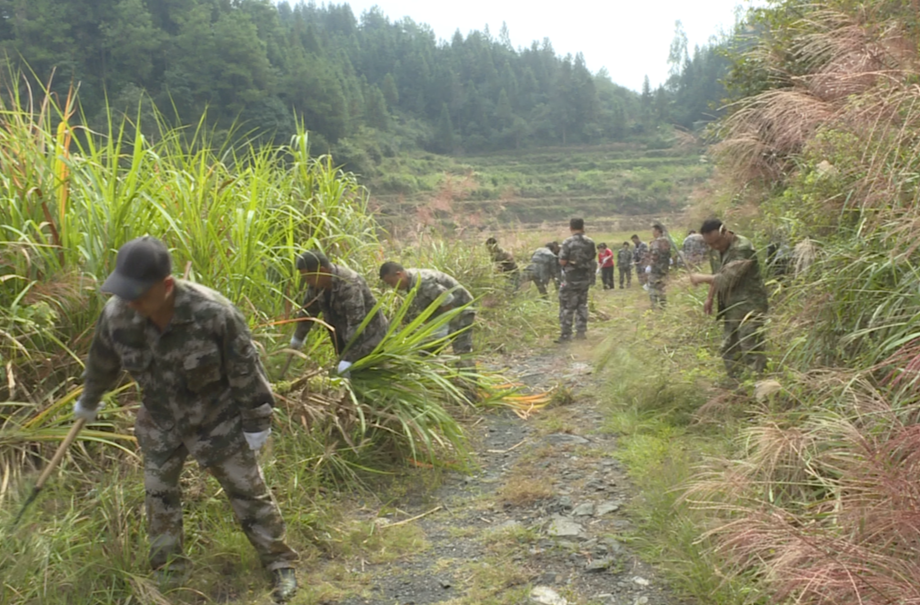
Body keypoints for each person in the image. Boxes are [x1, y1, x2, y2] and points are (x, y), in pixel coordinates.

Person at [73, 237, 298, 602]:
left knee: (247, 491)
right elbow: (102, 361)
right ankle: (169, 572)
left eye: (138, 294)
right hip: (160, 421)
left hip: (217, 419)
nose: (130, 301)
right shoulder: (117, 314)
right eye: (125, 292)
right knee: (158, 495)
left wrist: (256, 419)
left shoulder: (213, 313)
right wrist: (89, 399)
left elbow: (244, 368)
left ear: (166, 285)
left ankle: (279, 562)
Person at [690, 219, 769, 379]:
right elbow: (717, 275)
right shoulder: (716, 251)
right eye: (710, 244)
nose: (715, 246)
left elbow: (727, 278)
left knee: (751, 347)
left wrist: (701, 278)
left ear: (725, 231)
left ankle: (760, 384)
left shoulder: (742, 248)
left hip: (750, 306)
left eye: (717, 241)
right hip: (731, 307)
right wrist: (710, 298)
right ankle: (737, 383)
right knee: (729, 349)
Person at [288, 250, 388, 375]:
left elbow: (356, 325)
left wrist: (348, 358)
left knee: (373, 374)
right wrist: (298, 338)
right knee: (349, 376)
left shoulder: (349, 285)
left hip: (370, 337)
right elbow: (308, 312)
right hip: (345, 337)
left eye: (308, 278)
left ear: (322, 271)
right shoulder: (317, 284)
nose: (307, 282)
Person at [378, 262, 476, 366]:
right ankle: (425, 370)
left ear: (399, 274)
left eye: (391, 283)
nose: (393, 287)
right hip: (444, 311)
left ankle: (468, 375)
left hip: (460, 309)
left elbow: (446, 300)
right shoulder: (410, 281)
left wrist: (442, 325)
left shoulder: (422, 281)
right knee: (426, 349)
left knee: (461, 349)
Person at [556, 218, 597, 343]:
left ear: (571, 227)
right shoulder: (590, 242)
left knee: (567, 306)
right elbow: (592, 258)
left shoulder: (568, 242)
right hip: (584, 278)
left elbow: (562, 261)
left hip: (570, 278)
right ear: (583, 227)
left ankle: (566, 334)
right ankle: (581, 332)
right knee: (582, 305)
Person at [647, 223, 671, 308]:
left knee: (652, 286)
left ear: (658, 231)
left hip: (656, 269)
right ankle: (663, 305)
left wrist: (650, 265)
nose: (652, 233)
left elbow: (655, 255)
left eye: (653, 231)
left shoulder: (657, 242)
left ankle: (654, 305)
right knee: (662, 287)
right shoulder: (666, 241)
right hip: (664, 268)